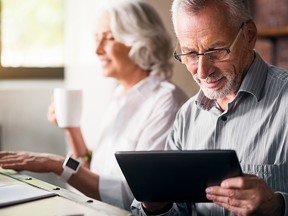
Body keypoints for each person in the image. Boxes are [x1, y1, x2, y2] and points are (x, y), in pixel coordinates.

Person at [0, 0, 187, 211]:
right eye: (97, 39)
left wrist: (55, 164)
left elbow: (138, 197)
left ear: (140, 40)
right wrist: (71, 127)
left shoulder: (166, 103)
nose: (97, 50)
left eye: (109, 38)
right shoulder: (120, 95)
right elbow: (94, 174)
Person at [131, 0, 288, 215]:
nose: (203, 72)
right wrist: (157, 207)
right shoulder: (187, 116)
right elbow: (180, 210)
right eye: (190, 54)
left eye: (216, 50)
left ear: (250, 35)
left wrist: (278, 206)